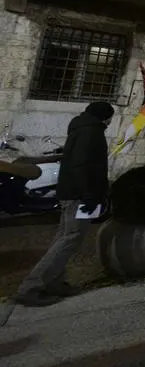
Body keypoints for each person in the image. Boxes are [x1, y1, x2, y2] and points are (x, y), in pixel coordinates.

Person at [14, 102, 115, 307]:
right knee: (68, 239)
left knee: (66, 237)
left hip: (73, 192)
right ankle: (30, 287)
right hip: (78, 195)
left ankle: (53, 281)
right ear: (105, 117)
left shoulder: (81, 127)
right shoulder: (91, 132)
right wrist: (88, 194)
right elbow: (81, 165)